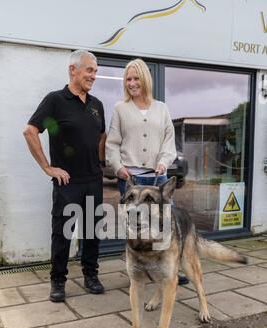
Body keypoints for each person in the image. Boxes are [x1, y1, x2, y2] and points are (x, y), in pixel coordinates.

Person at [23, 50, 106, 302]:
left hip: (93, 180)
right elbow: (30, 131)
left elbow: (101, 136)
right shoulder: (55, 101)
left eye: (95, 71)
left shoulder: (96, 105)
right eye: (89, 70)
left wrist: (101, 163)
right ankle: (58, 280)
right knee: (62, 234)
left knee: (92, 231)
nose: (94, 75)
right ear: (73, 70)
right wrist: (48, 168)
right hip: (67, 182)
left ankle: (91, 275)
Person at [106, 58, 189, 285]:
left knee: (164, 228)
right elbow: (112, 143)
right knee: (135, 227)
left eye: (136, 79)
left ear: (145, 80)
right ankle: (139, 270)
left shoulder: (161, 108)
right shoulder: (120, 109)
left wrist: (163, 161)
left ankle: (169, 269)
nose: (132, 83)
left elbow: (168, 142)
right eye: (128, 79)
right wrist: (119, 168)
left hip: (157, 178)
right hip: (130, 180)